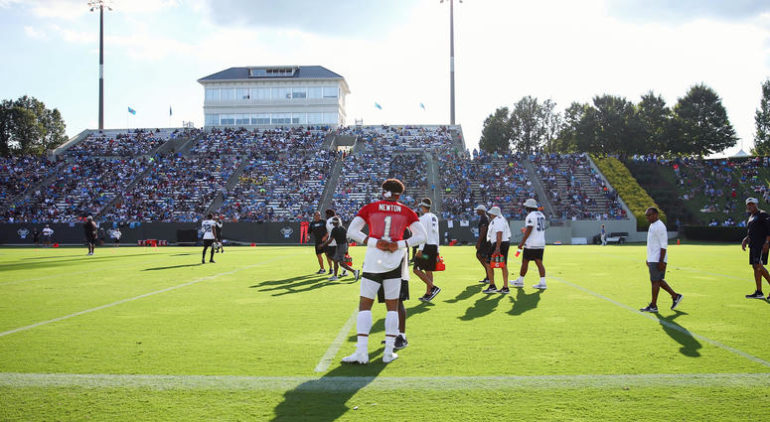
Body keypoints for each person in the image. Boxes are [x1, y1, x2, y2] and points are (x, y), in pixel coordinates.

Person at [342, 178, 427, 364]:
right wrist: (399, 244)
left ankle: (362, 353)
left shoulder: (371, 208)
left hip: (373, 260)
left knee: (365, 305)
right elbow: (422, 236)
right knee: (392, 308)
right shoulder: (407, 211)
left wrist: (374, 242)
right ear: (399, 194)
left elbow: (352, 231)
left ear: (384, 191)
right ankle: (388, 352)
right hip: (394, 263)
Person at [639, 207, 683, 313]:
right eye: (646, 216)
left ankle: (653, 306)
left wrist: (661, 261)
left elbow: (664, 246)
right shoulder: (653, 225)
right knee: (657, 281)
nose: (647, 217)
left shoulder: (660, 226)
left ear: (656, 215)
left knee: (655, 281)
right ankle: (675, 296)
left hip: (658, 259)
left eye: (649, 215)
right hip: (653, 258)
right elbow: (653, 244)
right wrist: (649, 258)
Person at [514, 198, 547, 290]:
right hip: (541, 242)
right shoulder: (541, 215)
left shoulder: (530, 216)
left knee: (525, 261)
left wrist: (522, 242)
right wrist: (526, 231)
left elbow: (529, 230)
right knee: (539, 262)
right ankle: (543, 282)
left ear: (528, 207)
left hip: (531, 243)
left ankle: (520, 281)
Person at [741, 197, 770, 299]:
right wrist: (746, 239)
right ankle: (759, 292)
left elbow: (769, 229)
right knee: (755, 267)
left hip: (761, 245)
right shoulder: (751, 216)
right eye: (749, 204)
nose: (750, 206)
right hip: (753, 245)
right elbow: (752, 232)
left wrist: (767, 242)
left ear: (756, 204)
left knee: (759, 266)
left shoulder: (763, 214)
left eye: (752, 204)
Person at [413, 198, 441, 302]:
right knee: (428, 269)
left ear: (422, 207)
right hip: (433, 247)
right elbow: (437, 234)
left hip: (426, 248)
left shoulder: (423, 218)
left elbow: (423, 235)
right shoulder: (434, 217)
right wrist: (438, 249)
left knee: (416, 269)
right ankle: (428, 293)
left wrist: (420, 249)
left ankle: (433, 288)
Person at [482, 206, 512, 294]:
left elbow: (499, 234)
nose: (490, 214)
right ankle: (505, 287)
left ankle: (492, 285)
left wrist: (497, 248)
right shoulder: (501, 219)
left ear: (494, 213)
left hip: (500, 243)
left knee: (488, 263)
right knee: (503, 265)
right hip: (503, 242)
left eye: (491, 213)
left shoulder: (498, 220)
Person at [320, 217, 360, 281]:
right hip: (344, 245)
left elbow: (330, 240)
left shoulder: (334, 229)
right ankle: (335, 276)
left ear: (333, 223)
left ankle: (354, 271)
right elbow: (347, 239)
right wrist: (347, 248)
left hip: (340, 246)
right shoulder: (343, 228)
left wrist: (323, 244)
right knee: (336, 261)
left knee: (340, 263)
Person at [474, 205, 491, 284]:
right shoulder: (484, 217)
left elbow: (483, 231)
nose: (476, 211)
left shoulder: (484, 218)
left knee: (482, 257)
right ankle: (488, 275)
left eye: (478, 210)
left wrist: (479, 242)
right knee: (480, 256)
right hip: (485, 241)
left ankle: (489, 276)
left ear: (482, 210)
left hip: (485, 242)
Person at [324, 209, 340, 276]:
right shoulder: (338, 218)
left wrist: (326, 241)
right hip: (339, 241)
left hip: (333, 242)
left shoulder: (329, 221)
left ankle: (335, 274)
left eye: (326, 214)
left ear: (329, 214)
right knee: (337, 257)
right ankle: (344, 271)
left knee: (329, 255)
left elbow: (332, 231)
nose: (325, 216)